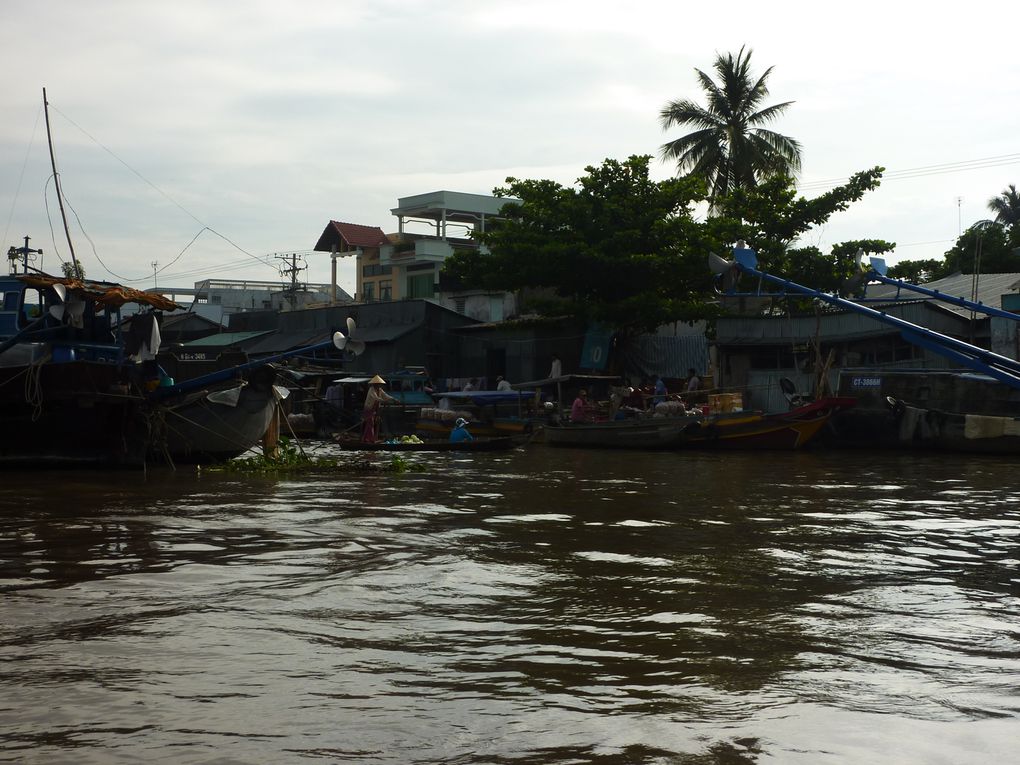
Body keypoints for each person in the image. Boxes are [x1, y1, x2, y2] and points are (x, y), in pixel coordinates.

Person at [362, 374, 396, 443]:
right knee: (370, 423)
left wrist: (393, 399)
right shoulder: (371, 390)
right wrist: (383, 401)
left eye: (380, 384)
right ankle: (371, 439)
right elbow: (376, 398)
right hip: (369, 409)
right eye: (378, 384)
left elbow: (386, 396)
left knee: (373, 423)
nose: (379, 385)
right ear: (375, 384)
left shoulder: (380, 390)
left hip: (375, 409)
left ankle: (367, 439)